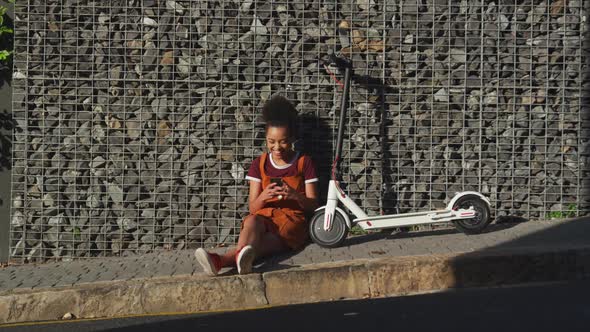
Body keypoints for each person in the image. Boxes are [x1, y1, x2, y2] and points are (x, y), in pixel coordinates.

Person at [195, 95, 319, 276]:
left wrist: (295, 196)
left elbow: (314, 205)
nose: (277, 147)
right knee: (251, 221)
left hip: (291, 223)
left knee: (256, 245)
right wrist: (263, 196)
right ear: (266, 139)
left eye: (283, 141)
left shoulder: (303, 162)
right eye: (271, 141)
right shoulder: (258, 164)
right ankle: (236, 261)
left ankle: (220, 260)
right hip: (264, 217)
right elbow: (253, 208)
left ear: (292, 138)